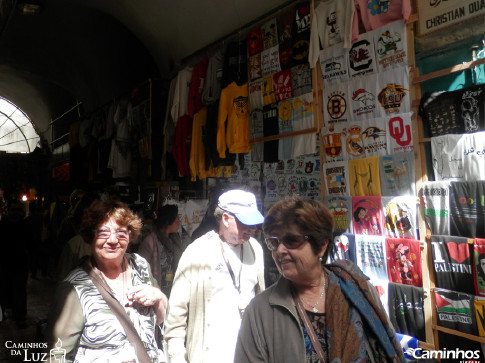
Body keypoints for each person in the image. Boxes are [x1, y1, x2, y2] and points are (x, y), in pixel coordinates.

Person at [234, 196, 404, 363]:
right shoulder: (260, 312)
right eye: (273, 242)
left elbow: (386, 346)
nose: (280, 250)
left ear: (321, 245)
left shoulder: (358, 289)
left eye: (292, 240)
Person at [46, 199, 167, 362]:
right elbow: (56, 356)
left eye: (121, 233)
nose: (112, 240)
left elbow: (160, 320)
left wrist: (159, 298)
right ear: (90, 236)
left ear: (130, 236)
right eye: (103, 232)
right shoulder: (75, 288)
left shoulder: (140, 266)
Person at [164, 189, 265, 363]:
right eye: (245, 222)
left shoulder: (255, 249)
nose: (252, 229)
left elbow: (261, 303)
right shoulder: (197, 252)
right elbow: (175, 320)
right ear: (226, 219)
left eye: (254, 223)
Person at [138, 204, 186, 297]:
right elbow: (140, 269)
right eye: (177, 219)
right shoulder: (150, 242)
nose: (179, 222)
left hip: (173, 290)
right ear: (169, 222)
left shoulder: (175, 240)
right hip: (156, 291)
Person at [0, 199, 34, 328]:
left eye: (17, 209)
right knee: (3, 290)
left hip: (20, 264)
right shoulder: (2, 225)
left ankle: (19, 317)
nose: (15, 213)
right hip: (4, 264)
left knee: (19, 291)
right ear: (8, 211)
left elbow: (31, 244)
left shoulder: (25, 225)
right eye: (12, 210)